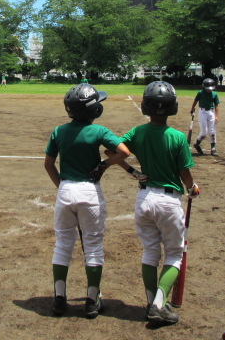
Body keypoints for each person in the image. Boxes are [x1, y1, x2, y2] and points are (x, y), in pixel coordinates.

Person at [108, 81, 199, 326]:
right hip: (169, 201)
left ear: (146, 107)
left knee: (150, 251)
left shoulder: (137, 132)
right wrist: (192, 189)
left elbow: (111, 149)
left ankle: (151, 301)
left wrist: (131, 170)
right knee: (174, 254)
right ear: (173, 108)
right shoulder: (178, 137)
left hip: (144, 199)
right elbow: (185, 174)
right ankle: (159, 304)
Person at [44, 83, 131, 319]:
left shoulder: (58, 131)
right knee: (92, 246)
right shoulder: (99, 131)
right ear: (94, 111)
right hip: (89, 193)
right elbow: (124, 152)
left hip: (66, 191)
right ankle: (92, 301)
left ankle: (59, 299)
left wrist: (62, 186)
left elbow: (48, 165)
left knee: (63, 245)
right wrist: (103, 165)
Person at [190, 78, 220, 156]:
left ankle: (213, 148)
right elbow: (195, 101)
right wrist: (192, 109)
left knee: (212, 131)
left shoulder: (214, 94)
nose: (209, 90)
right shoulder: (200, 93)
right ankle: (197, 144)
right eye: (207, 89)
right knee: (204, 133)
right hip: (202, 112)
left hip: (211, 112)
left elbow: (216, 105)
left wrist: (216, 116)